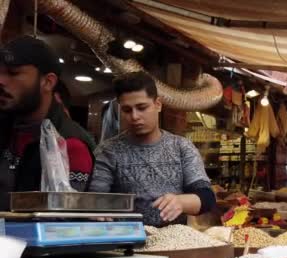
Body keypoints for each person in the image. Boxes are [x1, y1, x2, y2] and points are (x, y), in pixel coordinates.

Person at [88, 72, 216, 226]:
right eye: (127, 110)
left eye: (142, 108)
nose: (135, 116)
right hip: (125, 243)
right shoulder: (108, 151)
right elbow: (96, 197)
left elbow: (207, 198)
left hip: (173, 244)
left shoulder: (182, 147)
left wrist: (181, 202)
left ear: (158, 105)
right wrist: (99, 210)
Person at [0, 36, 95, 211]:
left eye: (13, 73)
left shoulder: (70, 145)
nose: (1, 80)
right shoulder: (7, 127)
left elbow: (60, 224)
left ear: (48, 82)